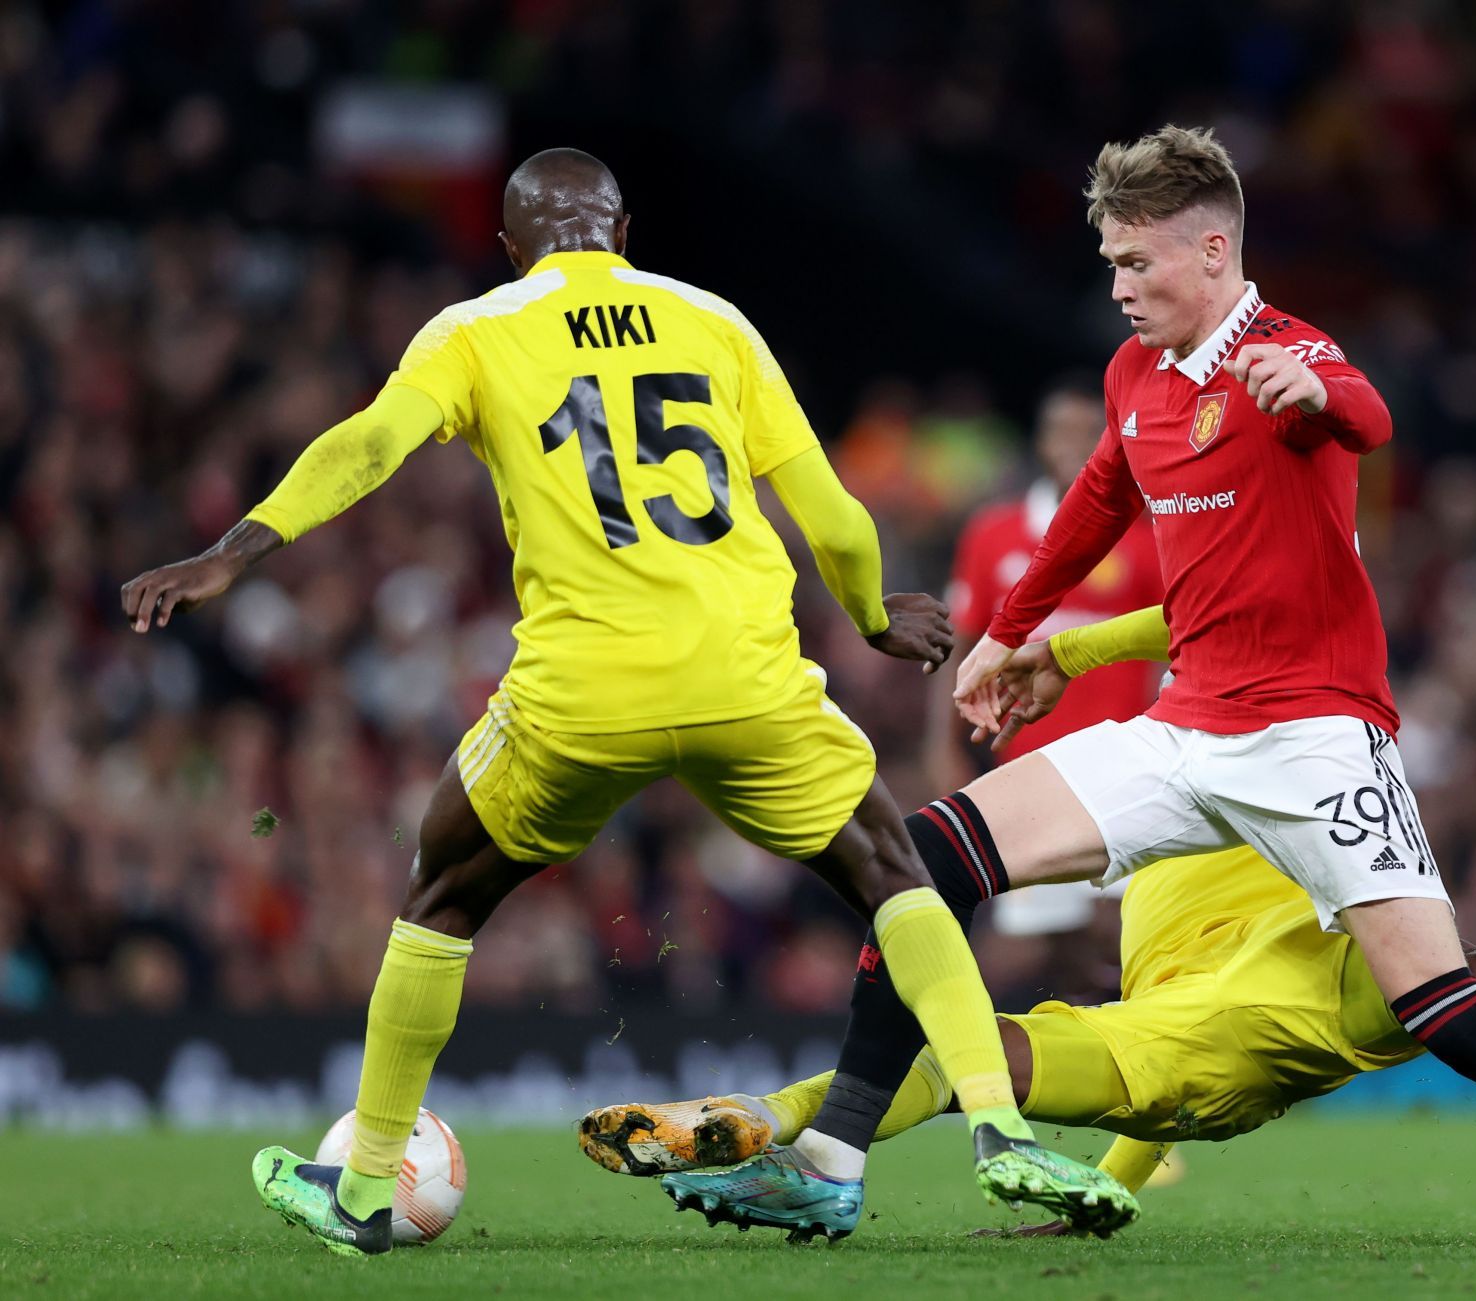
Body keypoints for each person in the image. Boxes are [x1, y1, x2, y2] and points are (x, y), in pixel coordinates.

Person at [641, 126, 1476, 1252]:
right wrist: (1011, 632)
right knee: (924, 850)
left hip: (1317, 738)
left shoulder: (1291, 351)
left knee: (1439, 997)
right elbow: (1100, 497)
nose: (1120, 287)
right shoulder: (1136, 373)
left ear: (1210, 252)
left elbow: (1372, 417)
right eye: (1110, 265)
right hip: (1185, 727)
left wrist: (1312, 389)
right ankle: (833, 1160)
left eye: (1136, 262)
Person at [119, 147, 1134, 1254]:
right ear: (623, 229)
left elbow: (369, 443)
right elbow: (834, 514)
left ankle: (365, 1184)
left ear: (512, 248)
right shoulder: (716, 321)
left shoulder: (476, 328)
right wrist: (873, 616)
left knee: (445, 889)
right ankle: (996, 1127)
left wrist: (234, 549)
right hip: (747, 676)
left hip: (584, 690)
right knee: (893, 869)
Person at [591, 611, 1476, 1250]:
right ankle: (786, 1135)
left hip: (1191, 1008)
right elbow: (1193, 622)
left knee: (985, 1017)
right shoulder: (1233, 806)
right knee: (933, 866)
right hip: (1191, 923)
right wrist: (1063, 648)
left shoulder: (1343, 956)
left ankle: (770, 1125)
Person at [925, 376, 1163, 953]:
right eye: (1062, 431)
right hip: (1027, 771)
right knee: (1033, 948)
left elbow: (1175, 638)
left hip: (1121, 768)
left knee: (1119, 939)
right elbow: (963, 645)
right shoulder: (993, 534)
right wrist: (942, 745)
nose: (1073, 446)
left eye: (1090, 434)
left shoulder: (1149, 536)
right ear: (1040, 440)